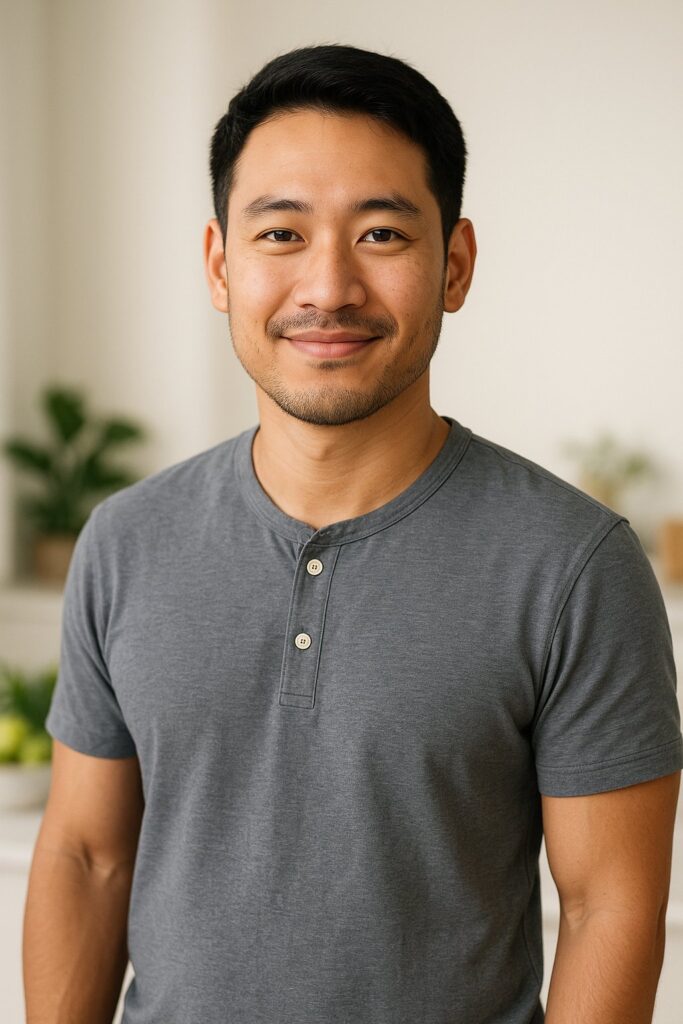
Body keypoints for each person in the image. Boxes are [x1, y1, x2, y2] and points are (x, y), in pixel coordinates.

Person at [25, 43, 681, 1024]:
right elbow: (86, 856)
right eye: (280, 233)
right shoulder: (125, 541)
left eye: (380, 233)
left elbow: (606, 907)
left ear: (453, 264)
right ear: (220, 265)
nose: (327, 287)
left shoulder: (573, 565)